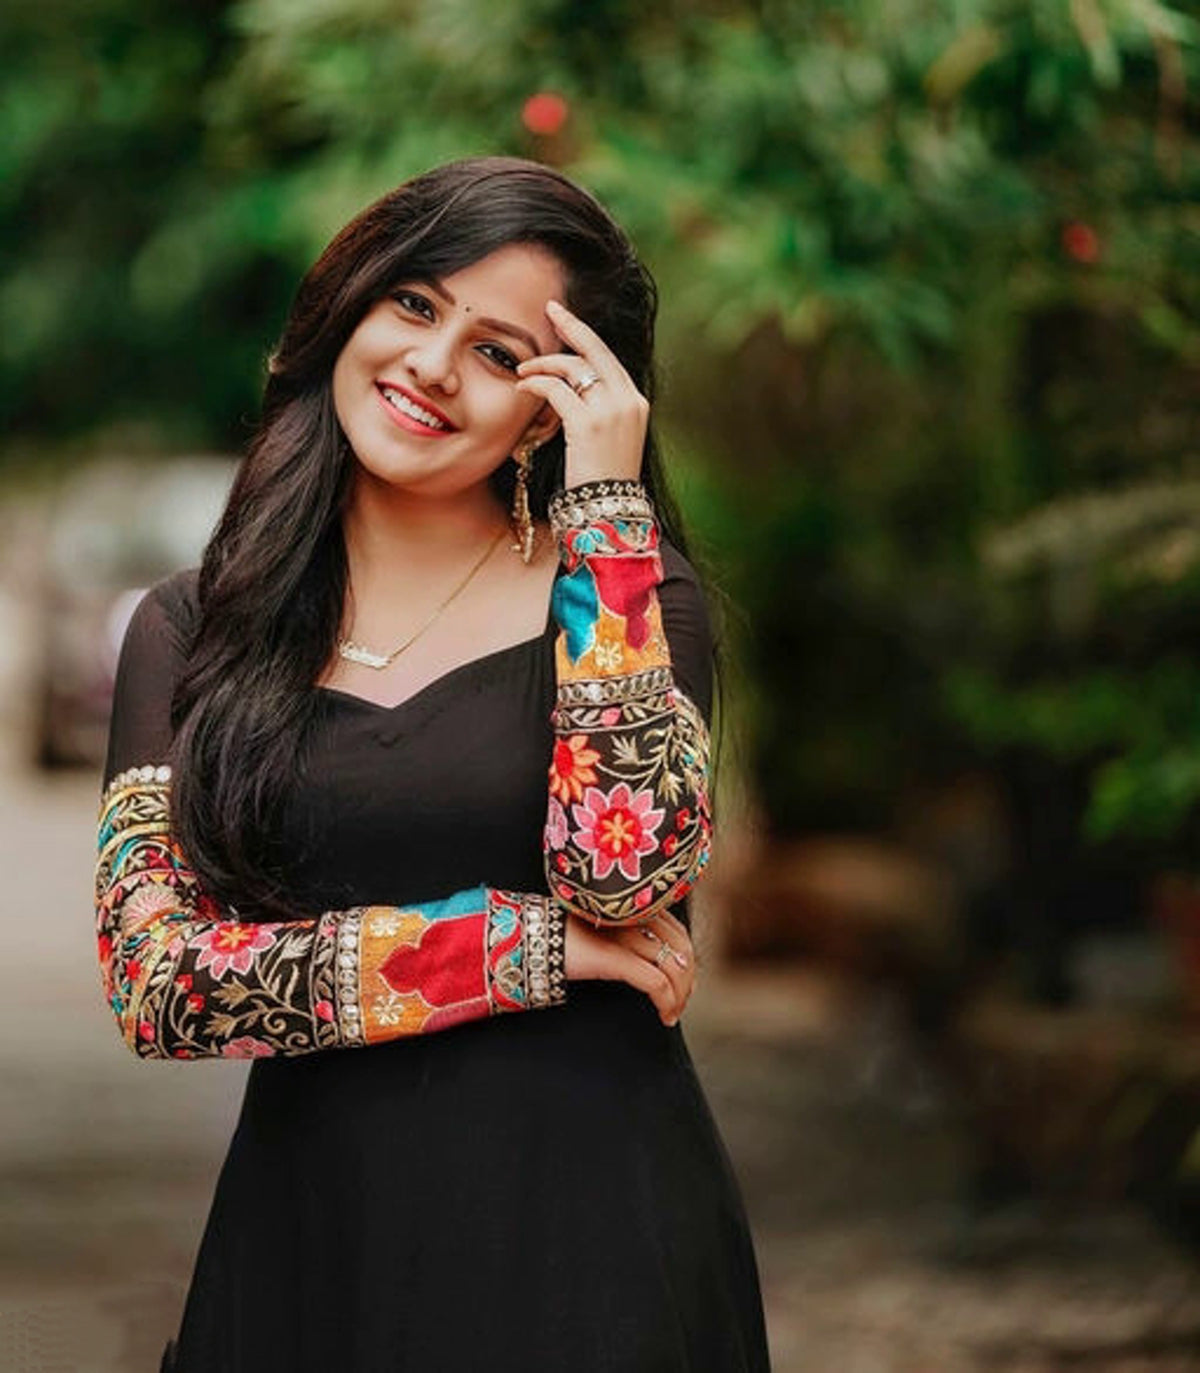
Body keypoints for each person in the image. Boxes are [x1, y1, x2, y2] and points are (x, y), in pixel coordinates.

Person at [95, 154, 771, 1372]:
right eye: (414, 302)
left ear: (552, 405)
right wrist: (525, 948)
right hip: (308, 1251)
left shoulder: (633, 600)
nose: (432, 366)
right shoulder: (194, 630)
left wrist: (609, 506)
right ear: (349, 304)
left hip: (595, 1251)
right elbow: (165, 983)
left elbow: (621, 880)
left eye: (502, 352)